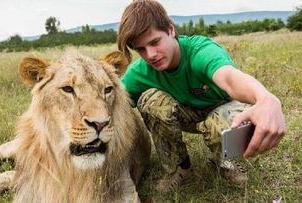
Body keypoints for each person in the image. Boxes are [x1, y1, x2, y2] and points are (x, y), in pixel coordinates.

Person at [117, 0, 285, 193]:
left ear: (171, 30)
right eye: (141, 49)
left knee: (218, 122)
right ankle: (179, 168)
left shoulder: (200, 51)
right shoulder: (140, 72)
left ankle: (224, 162)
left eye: (155, 42)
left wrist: (265, 98)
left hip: (222, 110)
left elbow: (230, 79)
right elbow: (113, 103)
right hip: (186, 114)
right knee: (149, 101)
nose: (151, 55)